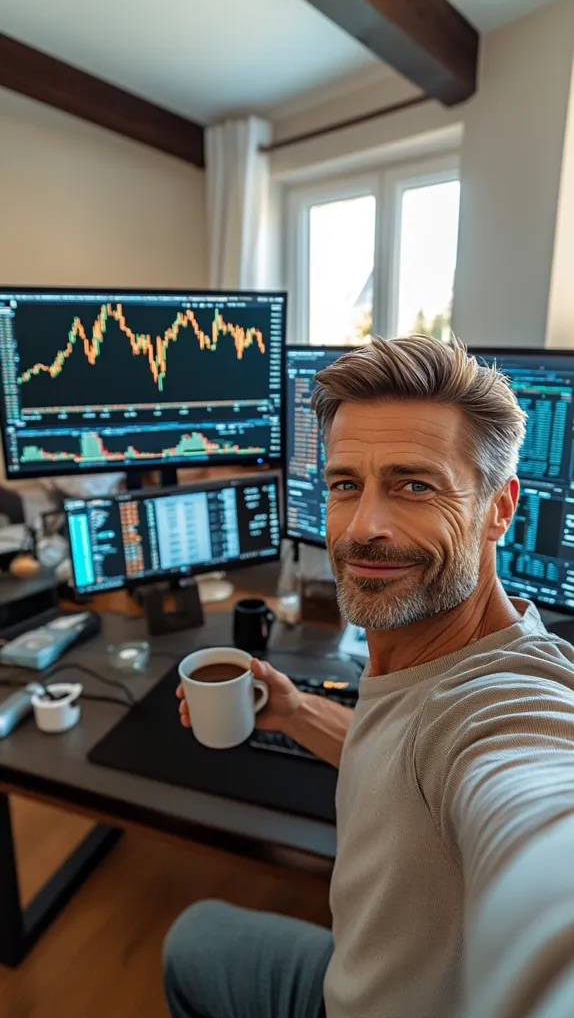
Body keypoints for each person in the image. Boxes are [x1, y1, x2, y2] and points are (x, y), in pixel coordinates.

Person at [164, 335, 574, 1018]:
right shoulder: (431, 662)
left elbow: (533, 795)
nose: (363, 527)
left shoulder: (506, 699)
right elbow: (404, 756)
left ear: (500, 509)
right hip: (357, 972)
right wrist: (296, 714)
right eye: (345, 484)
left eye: (415, 485)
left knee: (190, 938)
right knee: (193, 939)